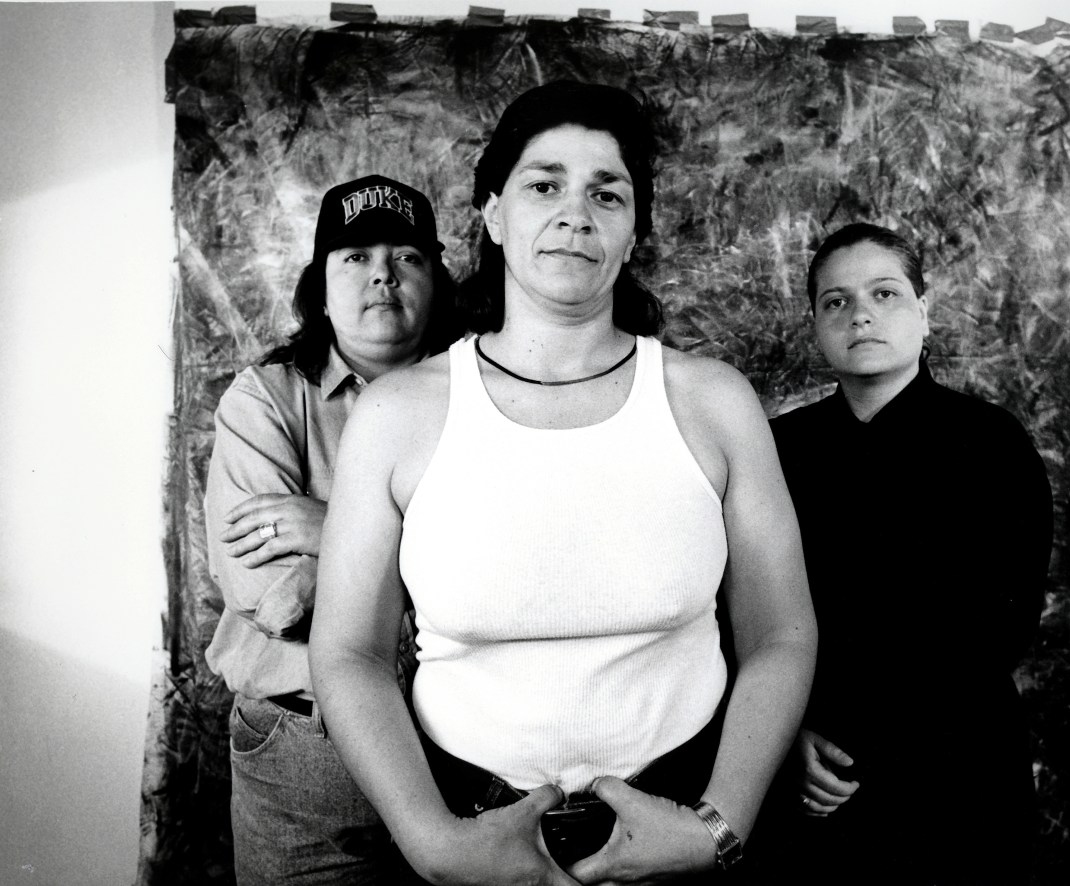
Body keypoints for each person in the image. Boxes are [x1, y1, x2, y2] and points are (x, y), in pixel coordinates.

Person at [308, 80, 818, 885]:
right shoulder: (400, 413)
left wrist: (717, 825)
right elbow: (347, 652)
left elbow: (781, 635)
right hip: (469, 832)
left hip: (685, 820)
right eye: (544, 185)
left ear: (634, 228)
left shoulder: (713, 400)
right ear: (493, 214)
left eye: (605, 193)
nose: (574, 213)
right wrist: (432, 842)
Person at [765, 223, 1054, 885]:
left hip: (955, 767)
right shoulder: (778, 448)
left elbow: (1001, 625)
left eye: (885, 293)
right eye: (835, 301)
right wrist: (785, 733)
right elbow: (745, 613)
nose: (860, 312)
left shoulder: (990, 443)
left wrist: (874, 744)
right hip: (812, 775)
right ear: (814, 323)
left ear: (925, 311)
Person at [203, 174, 460, 885]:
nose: (382, 273)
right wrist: (435, 555)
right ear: (319, 289)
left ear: (437, 281)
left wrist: (333, 531)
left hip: (464, 740)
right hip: (305, 752)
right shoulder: (264, 401)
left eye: (407, 256)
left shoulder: (483, 397)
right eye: (355, 257)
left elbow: (522, 573)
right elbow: (277, 598)